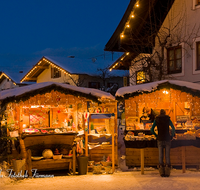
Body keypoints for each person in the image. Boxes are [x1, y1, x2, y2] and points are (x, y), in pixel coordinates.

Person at [150, 109, 175, 177]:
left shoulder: (156, 119)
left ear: (159, 113)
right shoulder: (168, 119)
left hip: (160, 139)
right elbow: (173, 128)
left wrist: (156, 135)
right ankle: (167, 172)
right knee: (167, 156)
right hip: (167, 138)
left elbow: (151, 129)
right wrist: (171, 136)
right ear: (165, 113)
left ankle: (161, 172)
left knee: (160, 156)